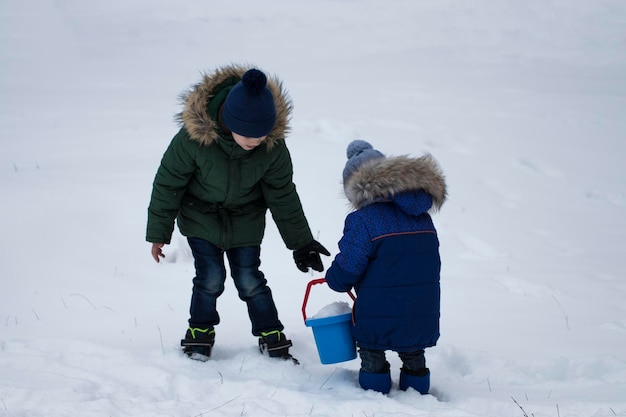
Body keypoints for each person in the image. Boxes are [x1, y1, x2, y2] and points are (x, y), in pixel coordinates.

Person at [146, 64, 330, 362]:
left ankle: (270, 332)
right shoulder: (194, 140)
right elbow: (168, 184)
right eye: (248, 135)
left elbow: (282, 195)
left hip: (245, 219)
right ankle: (200, 331)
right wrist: (158, 233)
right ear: (229, 121)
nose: (254, 142)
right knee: (210, 277)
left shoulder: (272, 148)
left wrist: (301, 242)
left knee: (249, 279)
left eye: (261, 136)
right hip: (200, 216)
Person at [324, 140, 447, 394]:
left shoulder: (363, 220)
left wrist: (335, 279)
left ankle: (374, 397)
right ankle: (418, 392)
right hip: (420, 309)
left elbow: (349, 264)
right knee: (414, 353)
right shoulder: (421, 217)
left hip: (378, 311)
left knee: (372, 352)